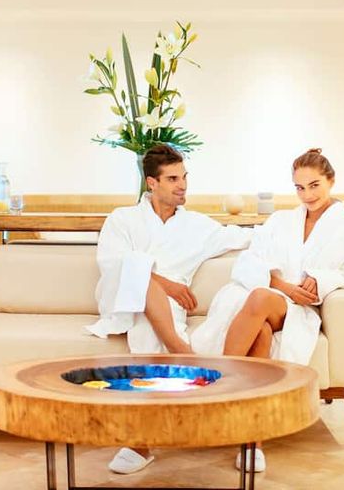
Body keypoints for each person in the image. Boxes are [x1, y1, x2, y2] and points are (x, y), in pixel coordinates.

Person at [191, 148, 344, 472]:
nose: (307, 195)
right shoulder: (282, 220)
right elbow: (253, 259)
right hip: (271, 297)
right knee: (261, 330)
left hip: (299, 308)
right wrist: (282, 285)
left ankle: (216, 390)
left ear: (331, 180)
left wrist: (320, 280)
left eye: (314, 185)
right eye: (300, 187)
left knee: (259, 297)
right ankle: (252, 440)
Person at [85, 143, 251, 474]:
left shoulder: (197, 226)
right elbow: (114, 264)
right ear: (152, 182)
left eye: (185, 177)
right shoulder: (123, 219)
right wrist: (166, 284)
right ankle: (185, 355)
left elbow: (243, 238)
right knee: (140, 278)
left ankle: (141, 441)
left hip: (169, 310)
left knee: (149, 323)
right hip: (126, 299)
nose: (183, 185)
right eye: (173, 179)